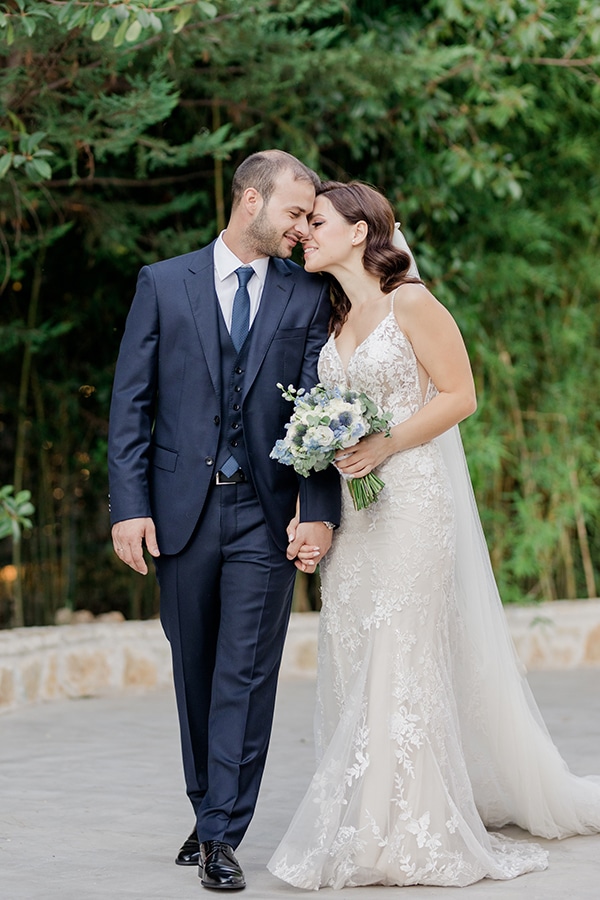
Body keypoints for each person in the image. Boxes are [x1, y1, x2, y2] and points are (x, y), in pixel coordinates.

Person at [268, 181, 600, 889]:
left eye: (317, 222)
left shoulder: (410, 303)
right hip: (356, 516)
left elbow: (461, 395)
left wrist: (384, 445)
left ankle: (413, 830)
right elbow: (318, 429)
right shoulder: (327, 322)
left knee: (402, 652)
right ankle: (366, 816)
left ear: (360, 232)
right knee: (356, 650)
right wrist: (313, 498)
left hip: (414, 503)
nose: (305, 234)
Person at [107, 150, 341, 892]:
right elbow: (131, 406)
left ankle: (220, 835)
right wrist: (129, 507)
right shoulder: (162, 283)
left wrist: (320, 510)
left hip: (265, 515)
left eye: (310, 217)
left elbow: (318, 410)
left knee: (246, 671)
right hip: (180, 511)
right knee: (197, 669)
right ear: (250, 201)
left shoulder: (306, 296)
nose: (304, 228)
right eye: (296, 213)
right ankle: (208, 806)